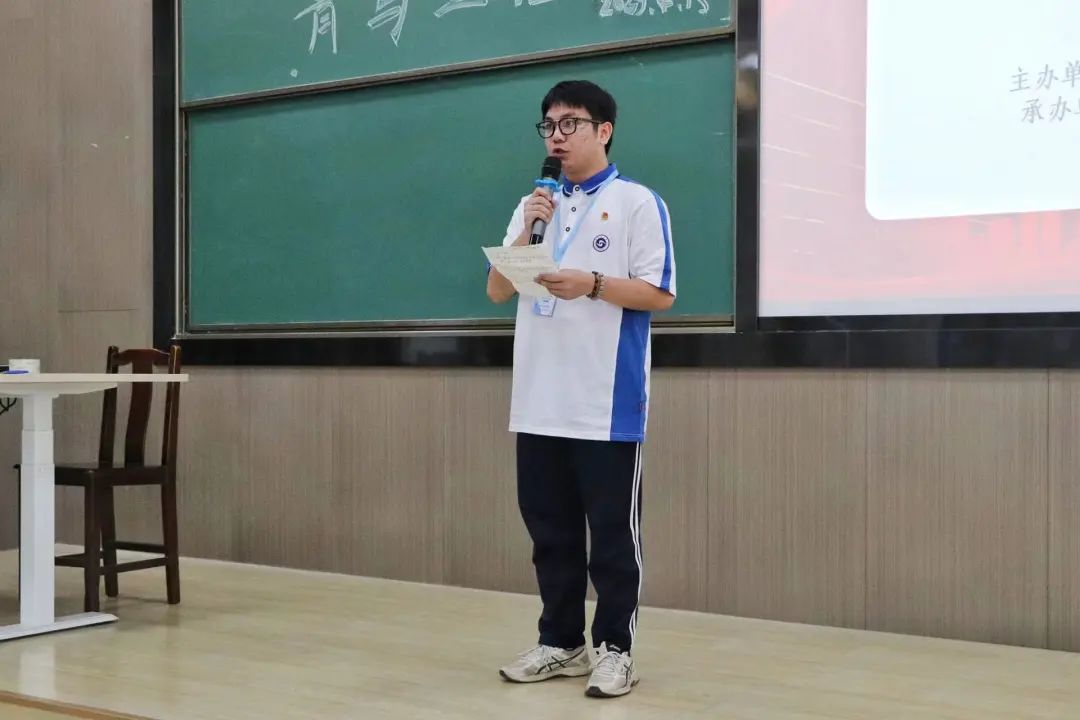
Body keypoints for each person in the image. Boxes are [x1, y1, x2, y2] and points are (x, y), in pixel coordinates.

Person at [486, 80, 676, 699]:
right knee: (550, 534)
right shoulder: (533, 204)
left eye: (571, 124)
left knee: (613, 537)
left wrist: (592, 284)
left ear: (604, 130)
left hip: (604, 401)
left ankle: (616, 649)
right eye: (549, 125)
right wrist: (527, 232)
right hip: (538, 398)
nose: (557, 136)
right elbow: (497, 289)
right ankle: (561, 642)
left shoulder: (637, 203)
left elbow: (659, 293)